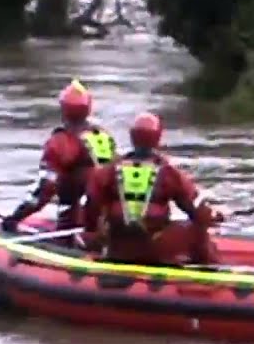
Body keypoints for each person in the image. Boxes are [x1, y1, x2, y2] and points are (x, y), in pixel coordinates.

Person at [79, 112, 224, 265]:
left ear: (132, 137)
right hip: (154, 249)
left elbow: (91, 205)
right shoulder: (168, 172)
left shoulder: (109, 170)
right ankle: (211, 270)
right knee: (198, 229)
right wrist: (213, 216)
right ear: (158, 138)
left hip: (117, 248)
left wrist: (94, 234)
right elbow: (196, 211)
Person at [1, 79, 117, 236]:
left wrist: (15, 218)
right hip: (108, 223)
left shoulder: (60, 143)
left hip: (75, 224)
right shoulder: (104, 137)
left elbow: (45, 190)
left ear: (63, 109)